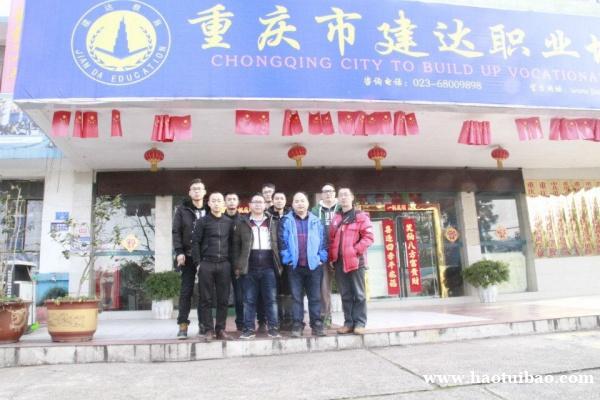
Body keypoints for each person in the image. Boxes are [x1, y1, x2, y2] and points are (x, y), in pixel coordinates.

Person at [232, 193, 282, 339]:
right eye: (255, 202)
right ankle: (248, 329)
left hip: (269, 267)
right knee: (249, 300)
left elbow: (278, 243)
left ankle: (273, 328)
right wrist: (237, 265)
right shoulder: (242, 223)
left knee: (271, 299)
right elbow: (236, 246)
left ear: (265, 205)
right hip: (249, 267)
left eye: (261, 202)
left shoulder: (272, 221)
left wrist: (280, 264)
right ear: (250, 205)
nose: (258, 205)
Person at [279, 192, 328, 337]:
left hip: (314, 266)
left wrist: (321, 258)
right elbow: (282, 242)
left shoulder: (316, 221)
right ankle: (297, 325)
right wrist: (287, 259)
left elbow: (324, 242)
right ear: (292, 204)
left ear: (308, 203)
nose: (300, 203)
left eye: (302, 201)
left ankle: (317, 325)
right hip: (294, 267)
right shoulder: (286, 221)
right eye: (297, 201)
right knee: (296, 298)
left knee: (315, 297)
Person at [329, 188, 374, 335]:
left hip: (356, 261)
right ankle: (348, 323)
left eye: (346, 195)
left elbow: (368, 237)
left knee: (359, 294)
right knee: (345, 294)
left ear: (352, 197)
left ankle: (360, 323)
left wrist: (355, 251)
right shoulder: (336, 218)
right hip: (339, 262)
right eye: (340, 195)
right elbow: (331, 240)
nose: (343, 198)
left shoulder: (361, 216)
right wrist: (332, 257)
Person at [192, 192, 235, 341]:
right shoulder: (202, 222)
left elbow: (232, 244)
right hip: (206, 264)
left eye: (219, 201)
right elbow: (195, 243)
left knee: (223, 299)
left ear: (223, 204)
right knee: (205, 299)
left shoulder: (229, 222)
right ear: (209, 203)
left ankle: (221, 329)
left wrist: (231, 264)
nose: (216, 203)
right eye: (214, 201)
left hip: (224, 264)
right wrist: (198, 263)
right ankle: (208, 330)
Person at [173, 178, 206, 339]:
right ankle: (183, 325)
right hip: (187, 256)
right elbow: (176, 232)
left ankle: (203, 324)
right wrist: (179, 251)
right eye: (194, 189)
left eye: (200, 189)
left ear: (204, 192)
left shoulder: (210, 209)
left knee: (204, 293)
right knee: (186, 292)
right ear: (190, 192)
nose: (197, 191)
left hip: (206, 257)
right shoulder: (182, 210)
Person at [311, 183, 341, 328]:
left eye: (331, 191)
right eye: (325, 191)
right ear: (321, 194)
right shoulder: (315, 211)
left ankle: (352, 319)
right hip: (323, 252)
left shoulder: (342, 209)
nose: (328, 194)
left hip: (341, 252)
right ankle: (326, 317)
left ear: (335, 193)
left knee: (347, 287)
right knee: (324, 288)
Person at [267, 191, 293, 330]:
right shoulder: (267, 216)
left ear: (285, 200)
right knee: (274, 291)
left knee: (288, 291)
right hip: (272, 259)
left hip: (289, 259)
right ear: (272, 200)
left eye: (282, 198)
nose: (279, 201)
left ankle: (288, 319)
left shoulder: (291, 216)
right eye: (276, 198)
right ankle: (276, 320)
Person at [224, 192, 243, 331]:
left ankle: (241, 323)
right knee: (222, 295)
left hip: (238, 263)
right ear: (225, 202)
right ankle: (220, 326)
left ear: (238, 202)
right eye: (229, 199)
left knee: (240, 295)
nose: (231, 202)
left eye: (234, 199)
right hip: (222, 262)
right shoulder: (219, 219)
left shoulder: (243, 220)